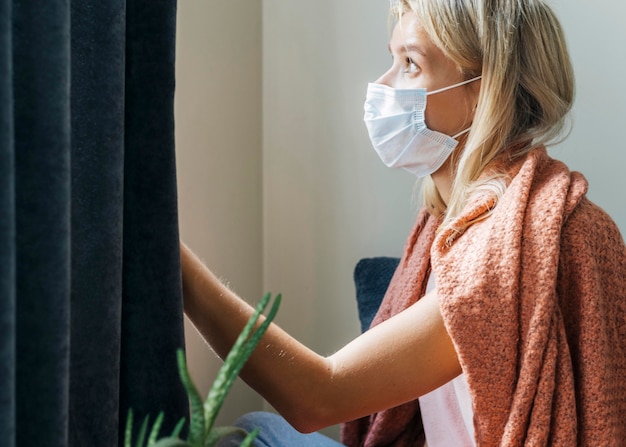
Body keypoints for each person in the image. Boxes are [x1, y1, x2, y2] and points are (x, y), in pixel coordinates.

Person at [180, 0, 626, 445]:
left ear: (484, 90)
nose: (381, 84)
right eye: (392, 59)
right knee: (258, 428)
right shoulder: (451, 225)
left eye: (410, 64)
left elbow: (317, 396)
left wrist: (174, 264)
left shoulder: (510, 245)